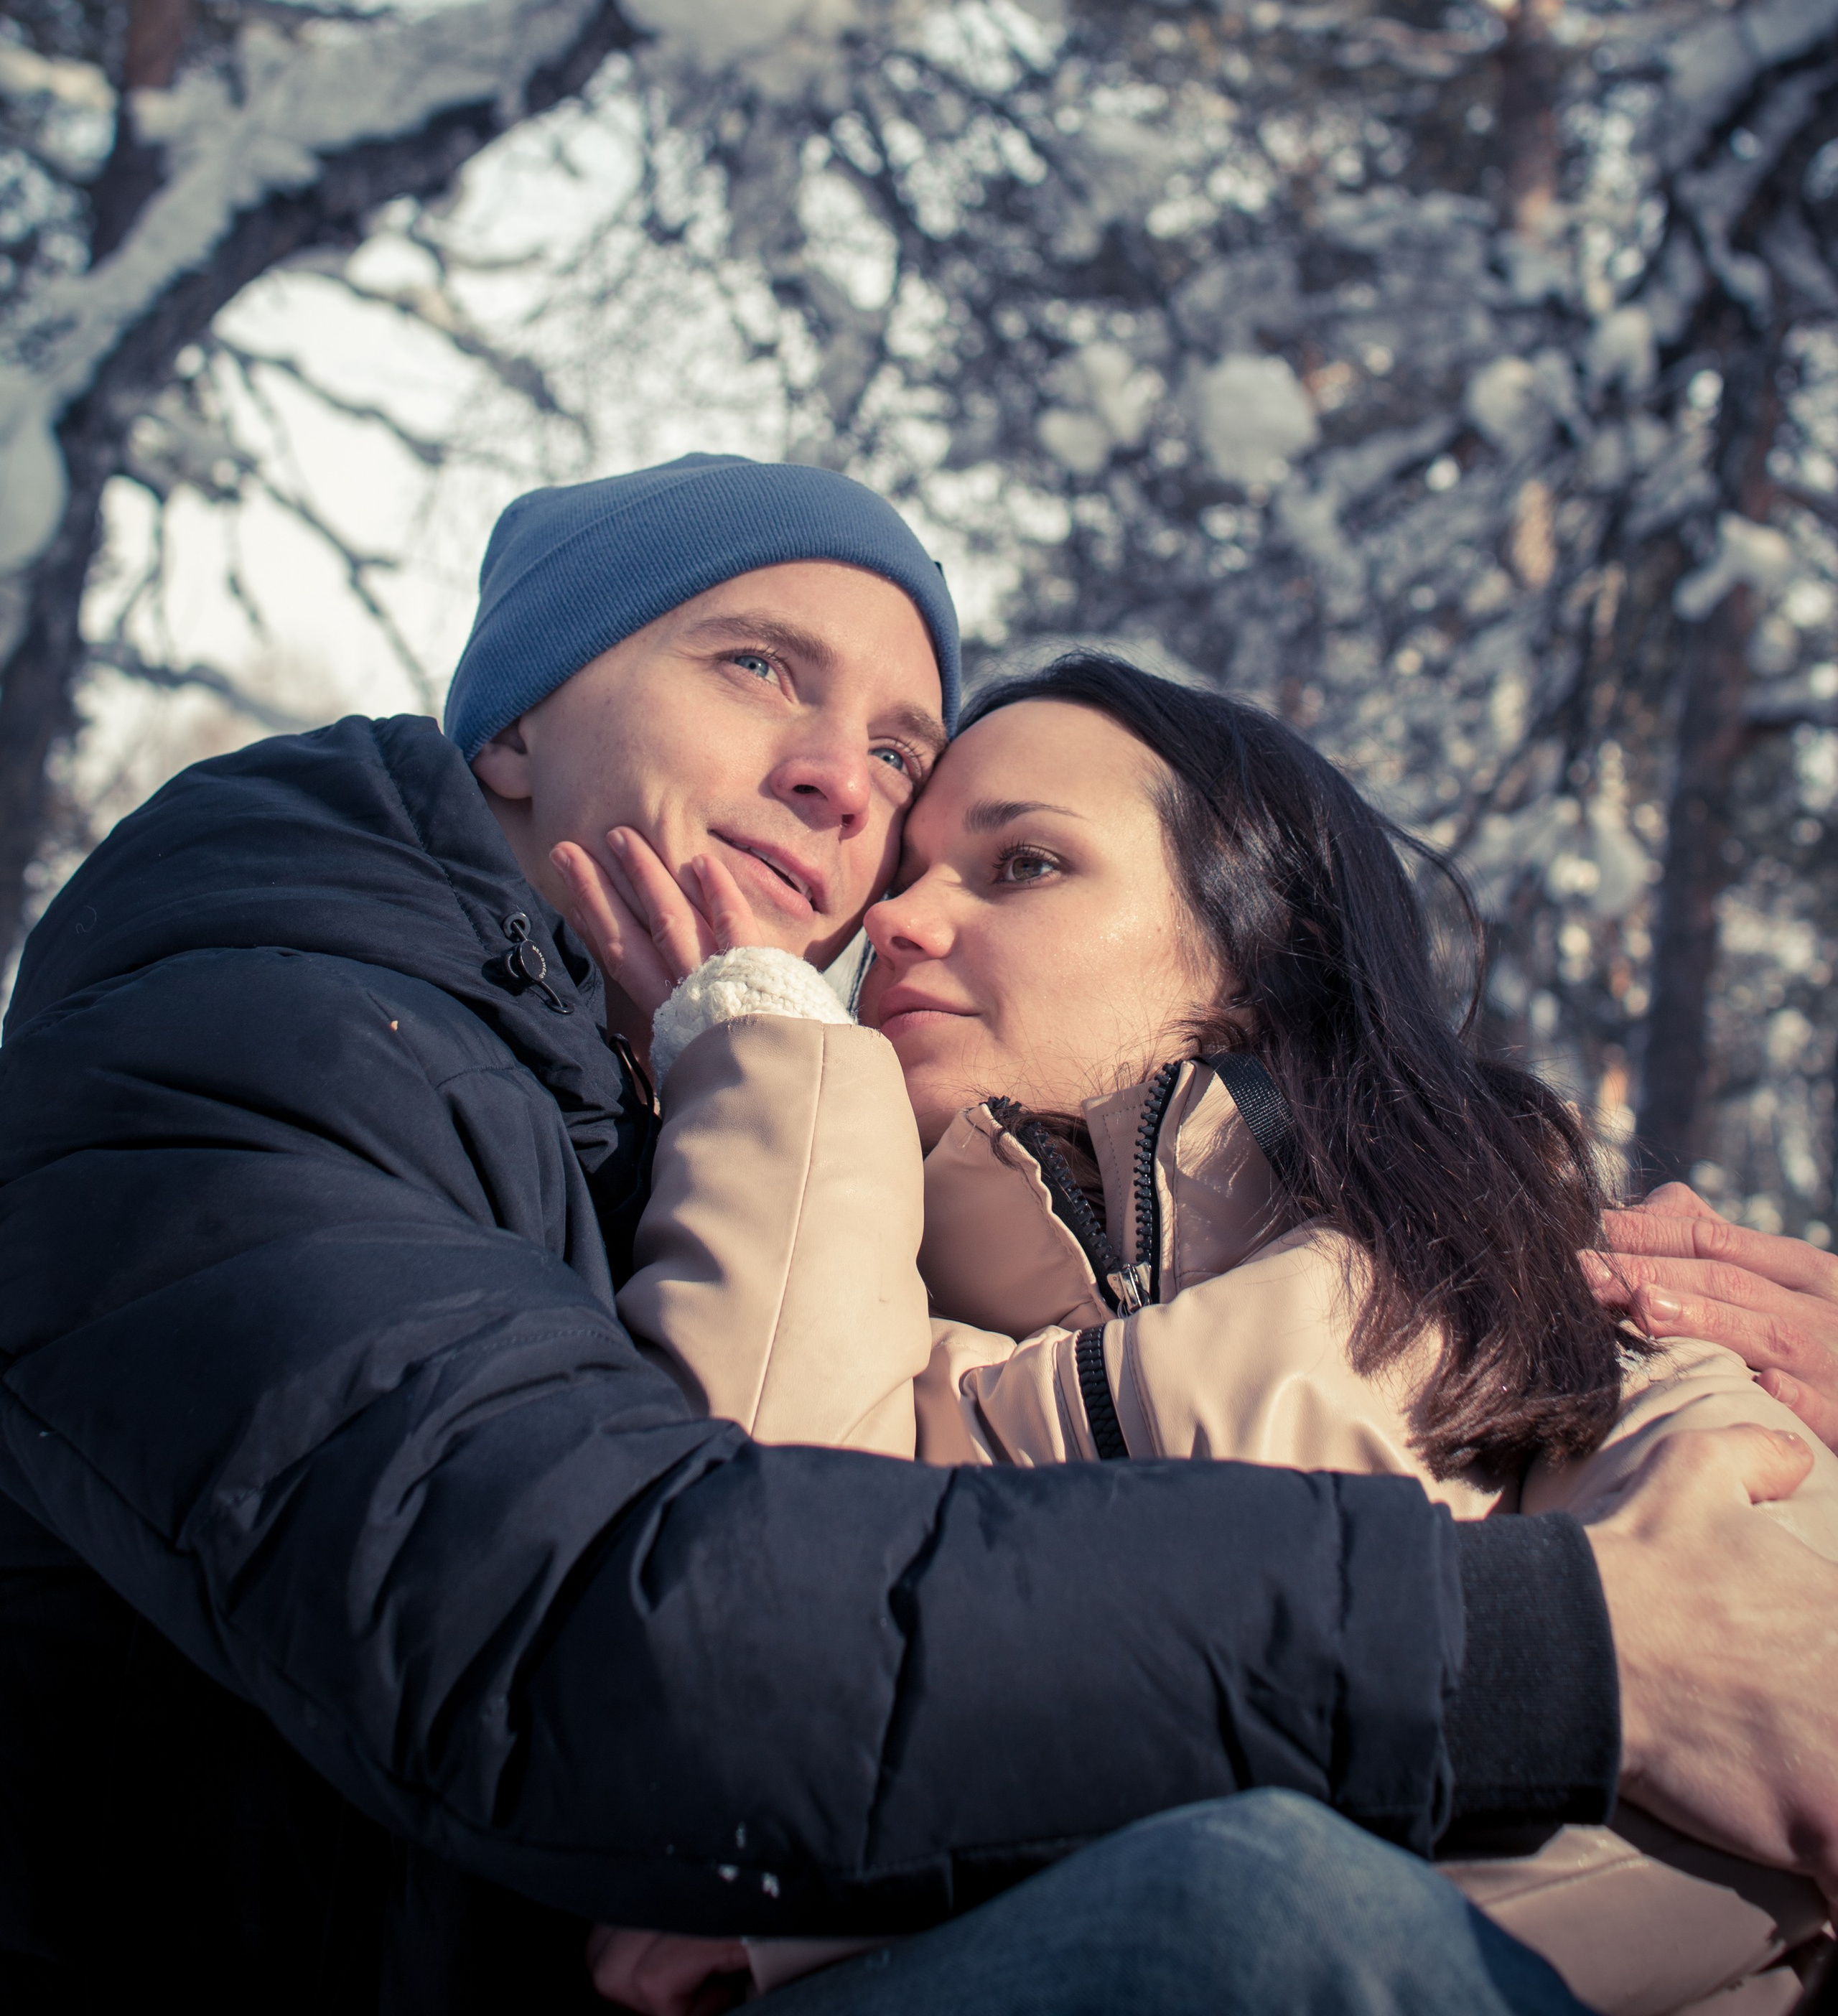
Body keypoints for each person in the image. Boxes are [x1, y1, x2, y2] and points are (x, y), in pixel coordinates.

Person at [0, 455, 1830, 2016]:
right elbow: (672, 1616)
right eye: (753, 665)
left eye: (918, 767)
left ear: (1255, 967)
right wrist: (1571, 1659)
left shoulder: (1555, 1291)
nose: (861, 817)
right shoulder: (274, 1034)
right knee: (1256, 1919)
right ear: (512, 723)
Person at [564, 651, 1838, 2015]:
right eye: (901, 886)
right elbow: (737, 1691)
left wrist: (843, 1915)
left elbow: (1789, 1754)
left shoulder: (1538, 1309)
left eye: (1023, 866)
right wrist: (775, 1065)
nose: (908, 926)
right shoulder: (858, 1308)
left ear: (1255, 961)